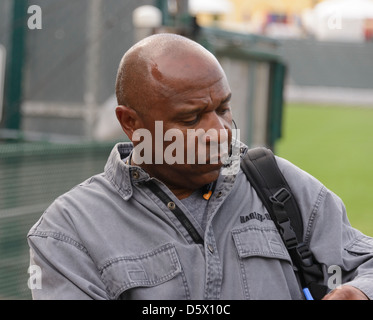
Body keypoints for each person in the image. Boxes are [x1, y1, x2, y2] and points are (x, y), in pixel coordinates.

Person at [27, 33, 373, 300]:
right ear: (131, 123)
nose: (221, 132)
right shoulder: (68, 231)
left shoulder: (278, 184)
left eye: (223, 108)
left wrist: (358, 290)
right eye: (191, 118)